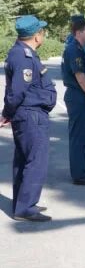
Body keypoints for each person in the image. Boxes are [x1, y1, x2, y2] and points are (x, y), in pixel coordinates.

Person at [2, 15, 57, 221]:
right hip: (31, 115)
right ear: (36, 36)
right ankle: (25, 208)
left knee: (25, 160)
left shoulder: (23, 53)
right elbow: (17, 92)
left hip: (29, 114)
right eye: (42, 32)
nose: (43, 35)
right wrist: (6, 113)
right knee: (35, 162)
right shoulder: (23, 56)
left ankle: (22, 203)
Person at [62, 19, 85, 185]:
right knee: (78, 137)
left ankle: (83, 171)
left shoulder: (81, 50)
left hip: (81, 96)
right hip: (77, 96)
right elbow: (80, 77)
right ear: (78, 32)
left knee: (83, 137)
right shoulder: (73, 50)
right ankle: (78, 174)